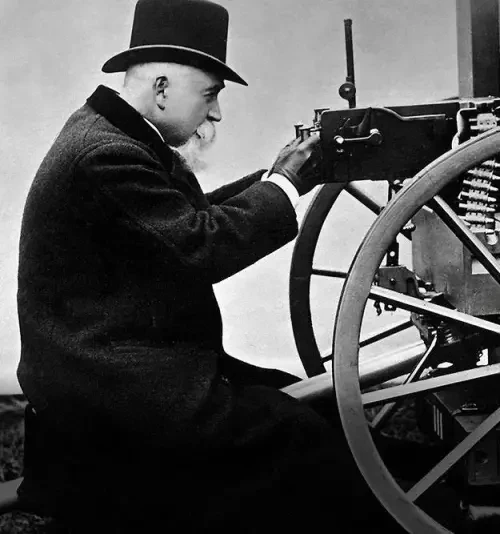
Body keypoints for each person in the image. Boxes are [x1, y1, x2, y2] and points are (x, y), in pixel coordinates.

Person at [15, 1, 410, 532]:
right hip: (112, 390)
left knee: (315, 405)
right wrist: (283, 185)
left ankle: (424, 492)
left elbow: (180, 219)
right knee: (299, 436)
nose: (216, 113)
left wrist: (284, 179)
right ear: (161, 88)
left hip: (123, 367)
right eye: (210, 94)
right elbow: (200, 245)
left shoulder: (109, 132)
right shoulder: (107, 154)